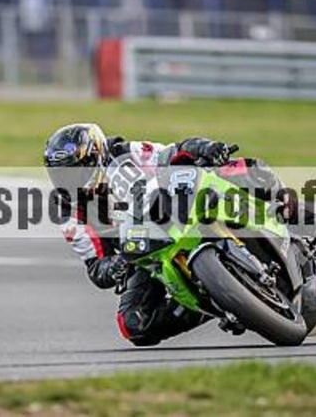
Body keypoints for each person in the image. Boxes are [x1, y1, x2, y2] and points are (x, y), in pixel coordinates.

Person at [44, 123, 284, 346]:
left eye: (74, 172)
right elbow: (96, 267)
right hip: (144, 250)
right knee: (134, 324)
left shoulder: (124, 153)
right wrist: (116, 265)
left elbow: (175, 151)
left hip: (177, 205)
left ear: (94, 157)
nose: (67, 182)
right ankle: (223, 302)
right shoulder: (66, 208)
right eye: (60, 175)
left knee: (246, 169)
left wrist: (206, 148)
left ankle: (289, 211)